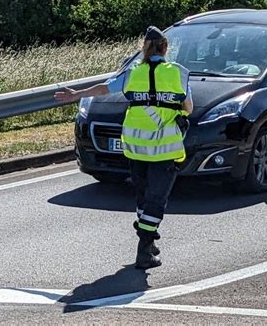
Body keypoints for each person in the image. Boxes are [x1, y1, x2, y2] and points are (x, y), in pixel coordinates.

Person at [54, 26, 193, 269]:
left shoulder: (132, 73)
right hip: (165, 149)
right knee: (156, 200)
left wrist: (76, 94)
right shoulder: (177, 74)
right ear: (166, 48)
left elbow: (103, 89)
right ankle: (145, 249)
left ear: (144, 49)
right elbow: (189, 108)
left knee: (142, 195)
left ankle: (147, 240)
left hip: (135, 148)